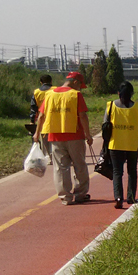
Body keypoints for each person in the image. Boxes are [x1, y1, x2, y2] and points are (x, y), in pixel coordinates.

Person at [33, 71, 94, 206]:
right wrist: (88, 135)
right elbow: (83, 116)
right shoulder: (75, 95)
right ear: (76, 82)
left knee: (61, 168)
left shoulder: (50, 94)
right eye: (80, 85)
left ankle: (65, 197)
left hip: (55, 136)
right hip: (75, 136)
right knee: (79, 165)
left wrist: (37, 134)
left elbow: (41, 116)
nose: (80, 88)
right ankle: (80, 194)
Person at [104, 81, 138, 209]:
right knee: (132, 172)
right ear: (132, 93)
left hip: (115, 144)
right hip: (132, 145)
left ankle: (118, 197)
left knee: (117, 172)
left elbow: (105, 124)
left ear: (118, 93)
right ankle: (131, 197)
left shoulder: (110, 106)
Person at [29, 74, 53, 161]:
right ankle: (54, 155)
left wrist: (32, 121)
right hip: (55, 116)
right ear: (51, 81)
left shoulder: (36, 92)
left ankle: (48, 156)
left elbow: (33, 107)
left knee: (44, 138)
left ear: (41, 82)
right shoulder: (56, 90)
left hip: (42, 118)